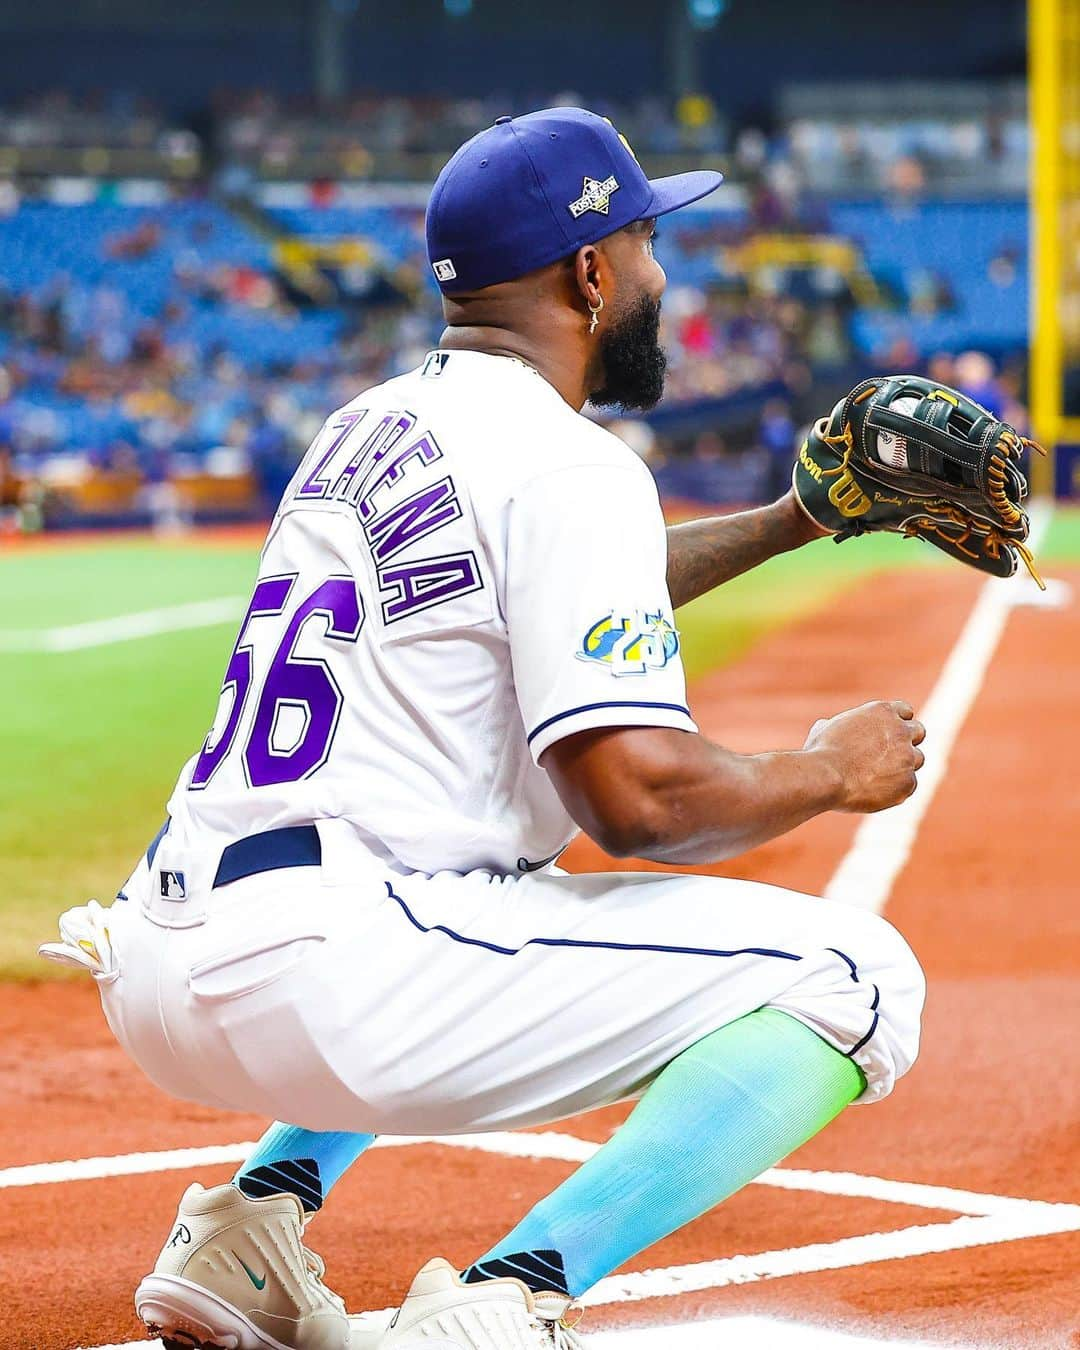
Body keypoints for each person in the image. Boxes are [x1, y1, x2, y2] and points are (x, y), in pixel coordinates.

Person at [44, 109, 926, 1350]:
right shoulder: (572, 461)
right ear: (589, 270)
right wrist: (832, 769)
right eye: (648, 242)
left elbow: (555, 587)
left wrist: (793, 520)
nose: (662, 274)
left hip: (164, 958)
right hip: (346, 978)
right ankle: (510, 1298)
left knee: (489, 856)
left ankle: (249, 1227)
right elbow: (643, 805)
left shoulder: (365, 425)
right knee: (862, 979)